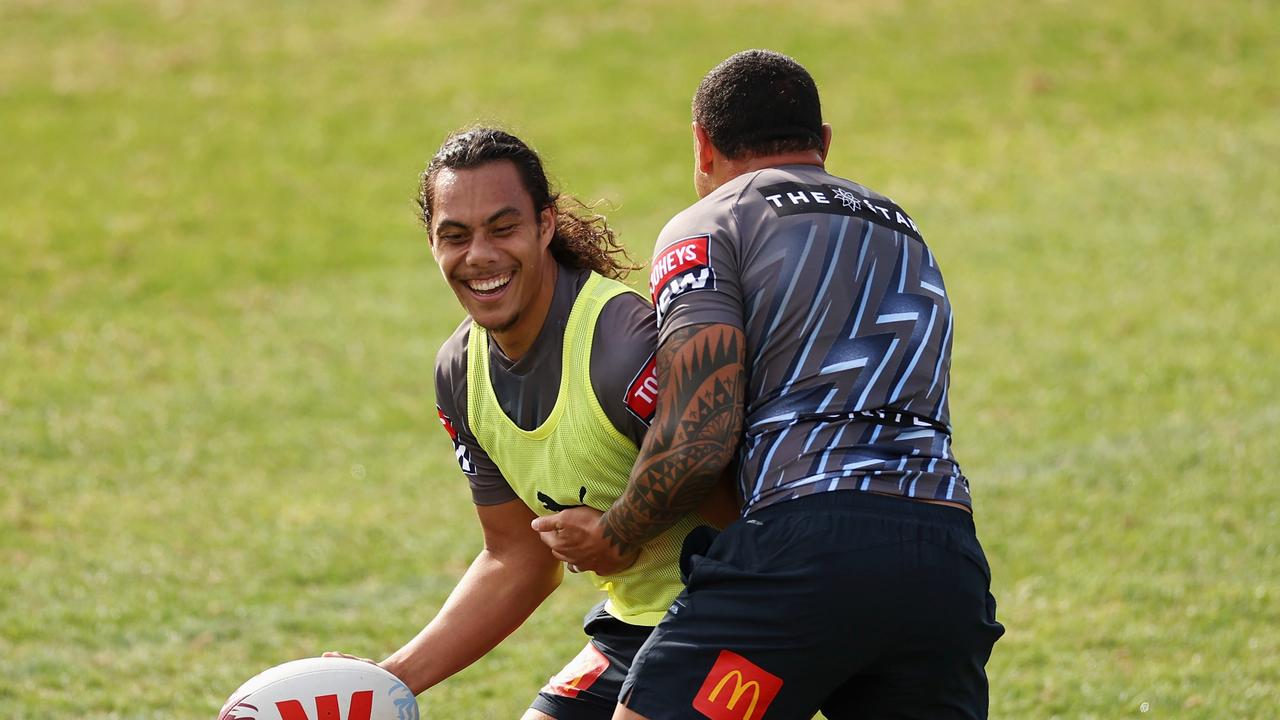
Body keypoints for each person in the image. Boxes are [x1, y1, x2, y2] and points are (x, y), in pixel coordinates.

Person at [539, 50, 1004, 719]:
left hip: (806, 551)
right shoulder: (904, 228)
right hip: (945, 561)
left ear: (703, 144)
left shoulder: (707, 225)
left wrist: (615, 533)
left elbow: (699, 434)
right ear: (823, 144)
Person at [330, 127, 733, 720]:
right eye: (455, 236)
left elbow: (745, 507)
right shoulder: (459, 374)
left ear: (545, 226)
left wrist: (626, 526)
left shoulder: (620, 348)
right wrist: (387, 682)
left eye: (503, 227)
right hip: (633, 630)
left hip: (735, 616)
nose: (480, 256)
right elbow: (517, 555)